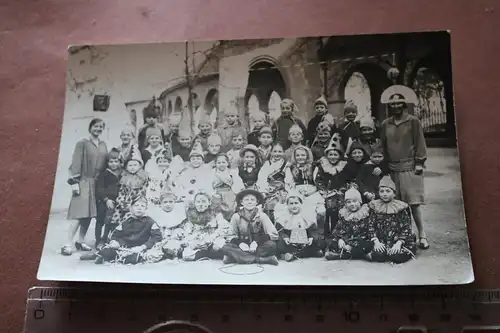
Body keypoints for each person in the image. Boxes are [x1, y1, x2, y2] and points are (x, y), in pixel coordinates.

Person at [380, 91, 429, 250]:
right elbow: (383, 146)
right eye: (392, 103)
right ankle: (406, 235)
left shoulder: (413, 121)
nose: (395, 106)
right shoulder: (385, 124)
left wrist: (419, 162)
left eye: (398, 103)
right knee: (397, 204)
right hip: (393, 168)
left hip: (410, 167)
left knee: (413, 203)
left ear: (403, 104)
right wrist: (383, 166)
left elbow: (420, 142)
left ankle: (422, 235)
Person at [61, 118, 108, 256]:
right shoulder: (82, 143)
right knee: (79, 214)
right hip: (83, 181)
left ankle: (80, 241)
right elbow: (76, 163)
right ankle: (67, 244)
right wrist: (74, 182)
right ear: (90, 128)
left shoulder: (103, 144)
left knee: (88, 215)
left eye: (101, 127)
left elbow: (106, 162)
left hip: (97, 184)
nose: (98, 129)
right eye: (95, 126)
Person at [88, 196, 163, 264]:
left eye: (142, 206)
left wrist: (143, 247)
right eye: (136, 205)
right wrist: (114, 242)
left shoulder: (150, 222)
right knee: (108, 250)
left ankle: (111, 258)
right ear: (131, 208)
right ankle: (104, 255)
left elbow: (157, 237)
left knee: (142, 256)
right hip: (124, 247)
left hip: (140, 248)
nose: (139, 208)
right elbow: (115, 234)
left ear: (146, 209)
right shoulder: (126, 221)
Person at [166, 191, 232, 261]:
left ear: (209, 202)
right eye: (198, 202)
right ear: (194, 203)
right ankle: (206, 253)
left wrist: (212, 237)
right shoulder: (191, 215)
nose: (201, 204)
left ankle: (214, 253)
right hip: (196, 241)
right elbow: (187, 231)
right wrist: (192, 242)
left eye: (204, 201)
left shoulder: (216, 215)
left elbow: (225, 228)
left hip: (211, 239)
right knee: (186, 255)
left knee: (219, 244)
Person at [220, 189, 280, 266]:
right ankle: (263, 260)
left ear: (257, 202)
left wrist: (256, 242)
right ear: (242, 202)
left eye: (252, 199)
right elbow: (230, 235)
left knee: (272, 245)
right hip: (242, 246)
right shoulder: (236, 216)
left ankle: (235, 257)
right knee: (225, 247)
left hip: (258, 247)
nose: (249, 202)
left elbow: (273, 234)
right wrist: (240, 243)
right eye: (246, 199)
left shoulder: (262, 215)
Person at [368, 176, 417, 264]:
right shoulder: (376, 207)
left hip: (398, 240)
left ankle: (397, 252)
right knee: (379, 256)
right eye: (381, 191)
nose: (384, 194)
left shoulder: (400, 208)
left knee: (397, 257)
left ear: (394, 193)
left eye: (388, 191)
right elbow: (371, 225)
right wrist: (376, 242)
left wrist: (399, 243)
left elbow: (406, 227)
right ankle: (382, 252)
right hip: (382, 240)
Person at [313, 132, 348, 238]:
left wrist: (342, 189)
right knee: (326, 213)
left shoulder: (343, 167)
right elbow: (318, 179)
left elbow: (346, 180)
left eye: (335, 154)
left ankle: (338, 234)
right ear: (326, 155)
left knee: (337, 214)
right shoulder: (322, 166)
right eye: (330, 154)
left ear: (339, 156)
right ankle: (326, 235)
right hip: (326, 193)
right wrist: (323, 190)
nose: (333, 157)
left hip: (339, 194)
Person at [324, 186, 373, 260]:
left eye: (354, 201)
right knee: (333, 242)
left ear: (360, 202)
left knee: (366, 245)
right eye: (348, 202)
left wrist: (351, 245)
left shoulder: (364, 213)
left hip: (360, 240)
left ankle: (344, 255)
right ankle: (340, 252)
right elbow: (338, 229)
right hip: (346, 239)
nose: (352, 204)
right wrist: (340, 239)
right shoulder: (344, 214)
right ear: (345, 204)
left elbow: (367, 232)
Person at [275, 191, 323, 261]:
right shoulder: (284, 217)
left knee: (319, 241)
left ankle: (296, 254)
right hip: (289, 242)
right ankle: (300, 254)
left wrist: (311, 238)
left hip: (304, 242)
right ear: (287, 205)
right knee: (280, 243)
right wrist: (285, 237)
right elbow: (280, 231)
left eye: (296, 203)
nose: (294, 206)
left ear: (301, 204)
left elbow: (313, 230)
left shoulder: (306, 216)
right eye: (291, 204)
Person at [285, 146, 326, 222]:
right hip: (297, 191)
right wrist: (295, 192)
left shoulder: (314, 167)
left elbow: (318, 181)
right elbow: (289, 183)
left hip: (312, 191)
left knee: (317, 209)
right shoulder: (291, 168)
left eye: (303, 155)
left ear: (307, 156)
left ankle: (315, 227)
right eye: (297, 155)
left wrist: (313, 191)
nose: (300, 157)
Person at [94, 148, 121, 249]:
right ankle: (98, 240)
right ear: (107, 162)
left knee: (110, 221)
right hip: (104, 201)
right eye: (111, 162)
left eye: (116, 161)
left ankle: (105, 238)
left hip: (116, 201)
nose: (113, 164)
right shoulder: (104, 174)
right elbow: (99, 188)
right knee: (100, 220)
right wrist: (106, 199)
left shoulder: (121, 174)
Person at [257, 143, 288, 223]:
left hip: (282, 190)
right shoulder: (267, 164)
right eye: (275, 151)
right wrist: (264, 190)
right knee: (267, 205)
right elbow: (262, 179)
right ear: (271, 152)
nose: (277, 154)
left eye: (280, 151)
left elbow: (288, 180)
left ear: (283, 152)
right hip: (268, 190)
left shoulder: (286, 165)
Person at [208, 153, 244, 220]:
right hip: (216, 193)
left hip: (229, 193)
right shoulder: (212, 173)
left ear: (227, 163)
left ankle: (229, 218)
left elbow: (238, 184)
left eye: (223, 162)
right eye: (219, 162)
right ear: (215, 164)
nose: (221, 164)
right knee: (215, 205)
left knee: (230, 204)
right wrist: (213, 193)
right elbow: (208, 184)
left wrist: (234, 190)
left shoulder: (232, 173)